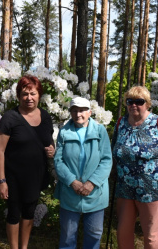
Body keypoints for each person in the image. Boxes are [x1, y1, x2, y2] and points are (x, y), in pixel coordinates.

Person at [112, 86, 158, 249]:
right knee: (123, 233)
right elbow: (113, 153)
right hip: (124, 188)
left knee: (151, 238)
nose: (134, 105)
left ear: (147, 104)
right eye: (130, 101)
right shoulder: (120, 123)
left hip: (151, 190)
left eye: (139, 101)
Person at [0, 75, 55, 249]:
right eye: (25, 94)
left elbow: (48, 141)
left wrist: (52, 149)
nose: (29, 98)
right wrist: (1, 180)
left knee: (29, 213)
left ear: (39, 95)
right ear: (18, 96)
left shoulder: (45, 116)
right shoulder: (10, 118)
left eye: (33, 93)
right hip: (13, 176)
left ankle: (24, 247)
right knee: (14, 214)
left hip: (36, 175)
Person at [54, 97, 112, 249]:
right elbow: (58, 161)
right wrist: (72, 182)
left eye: (82, 110)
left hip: (95, 192)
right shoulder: (64, 132)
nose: (78, 114)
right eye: (74, 110)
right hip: (70, 191)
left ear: (89, 112)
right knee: (67, 235)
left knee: (94, 234)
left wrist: (91, 183)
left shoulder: (100, 131)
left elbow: (106, 160)